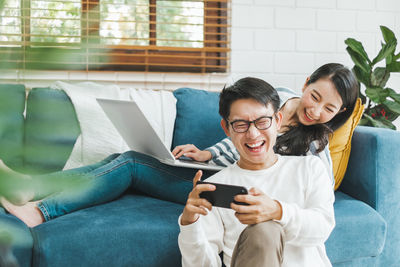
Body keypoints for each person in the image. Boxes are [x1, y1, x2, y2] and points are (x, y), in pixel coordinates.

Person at [0, 63, 358, 228]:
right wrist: (206, 154)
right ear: (306, 81)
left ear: (339, 113)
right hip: (222, 170)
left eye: (330, 109)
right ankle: (30, 187)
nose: (316, 111)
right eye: (315, 97)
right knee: (120, 158)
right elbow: (236, 138)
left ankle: (38, 209)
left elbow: (318, 192)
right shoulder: (273, 100)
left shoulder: (316, 143)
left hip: (237, 192)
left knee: (130, 165)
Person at [178, 77, 335, 267]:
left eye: (262, 121)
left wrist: (277, 211)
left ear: (278, 121)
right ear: (227, 129)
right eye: (241, 125)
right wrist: (189, 224)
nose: (253, 134)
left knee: (267, 227)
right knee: (264, 231)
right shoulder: (217, 187)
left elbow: (322, 228)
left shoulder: (310, 168)